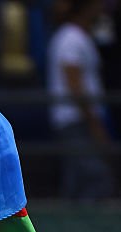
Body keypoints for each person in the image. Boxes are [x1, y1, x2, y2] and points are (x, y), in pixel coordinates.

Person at [47, 0, 115, 200]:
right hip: (75, 120)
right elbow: (74, 85)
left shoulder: (79, 36)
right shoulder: (71, 38)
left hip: (81, 119)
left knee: (75, 181)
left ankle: (67, 230)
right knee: (96, 177)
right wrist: (93, 122)